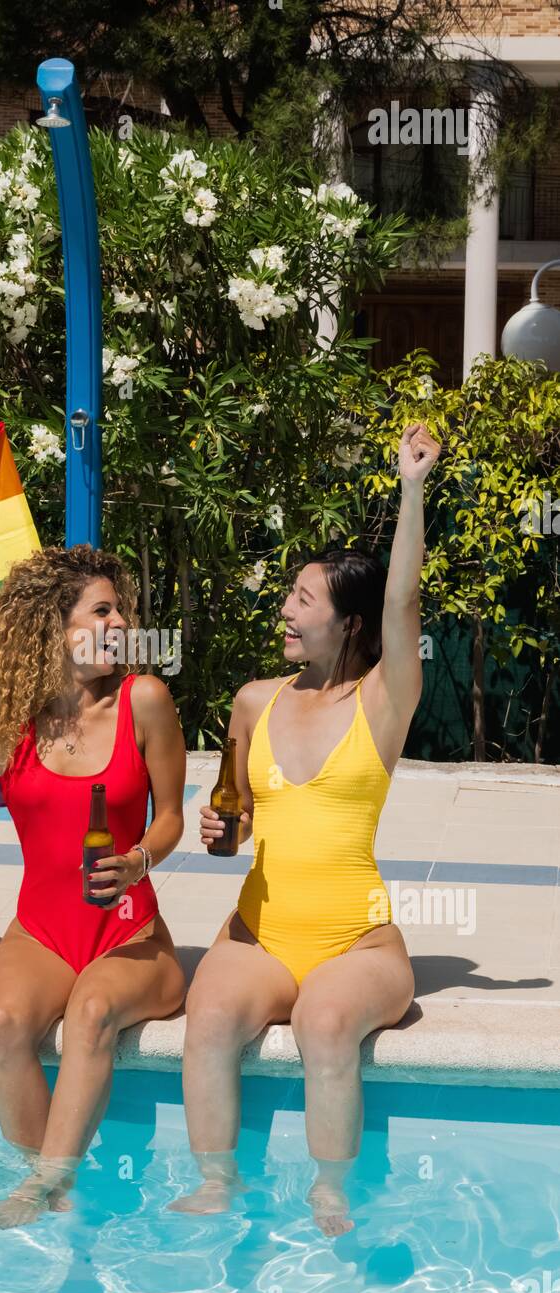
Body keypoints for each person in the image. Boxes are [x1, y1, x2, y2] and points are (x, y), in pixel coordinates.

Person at [171, 422, 442, 1237]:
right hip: (259, 935)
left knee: (327, 1025)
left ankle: (331, 1197)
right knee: (209, 1018)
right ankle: (219, 1186)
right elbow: (236, 829)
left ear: (348, 625)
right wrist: (219, 831)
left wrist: (413, 488)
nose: (285, 610)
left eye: (303, 600)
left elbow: (401, 599)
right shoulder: (255, 701)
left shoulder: (385, 700)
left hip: (356, 949)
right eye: (288, 595)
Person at [0, 425, 187, 1229]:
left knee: (91, 1015)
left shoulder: (144, 700)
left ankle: (43, 1188)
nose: (121, 622)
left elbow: (174, 815)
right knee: (3, 1018)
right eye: (103, 609)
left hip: (130, 937)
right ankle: (60, 1189)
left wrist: (142, 859)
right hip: (40, 931)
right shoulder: (13, 711)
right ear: (57, 624)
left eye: (123, 609)